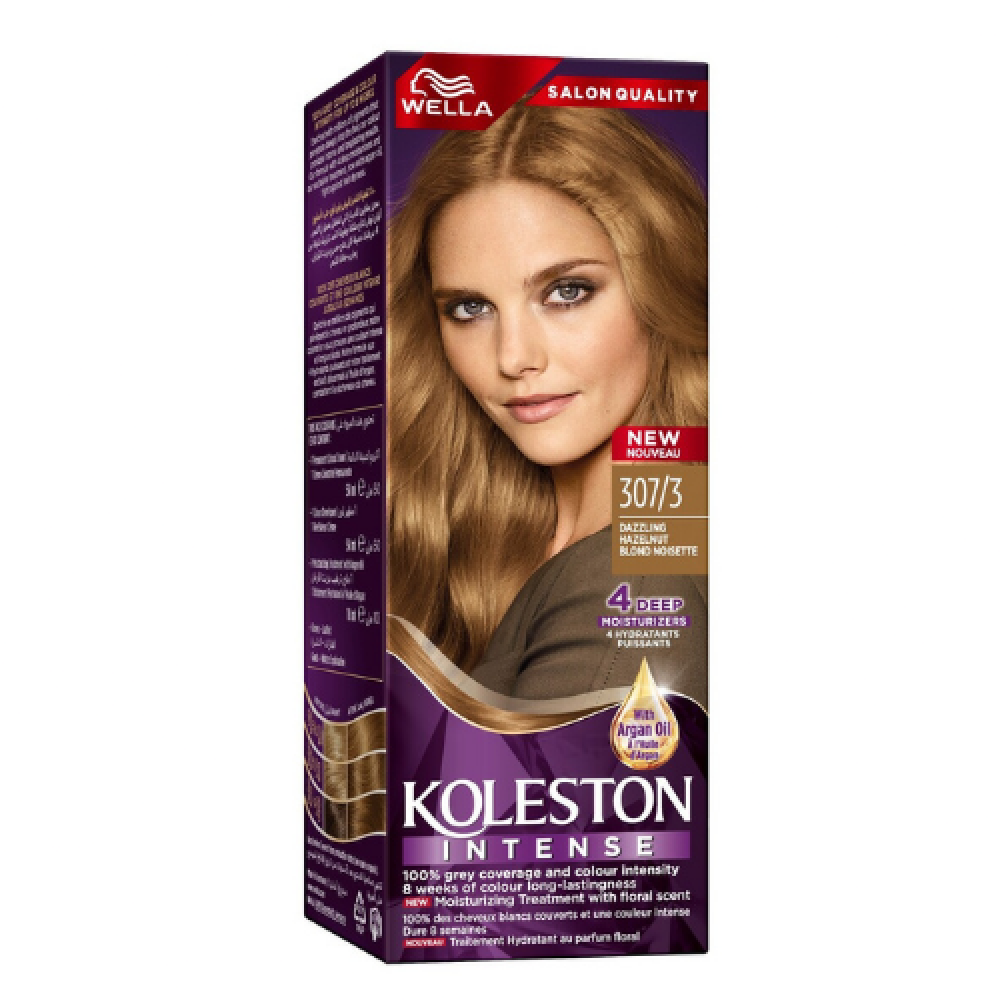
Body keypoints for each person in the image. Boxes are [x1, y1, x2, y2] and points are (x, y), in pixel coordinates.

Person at [387, 103, 707, 708]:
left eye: (567, 291)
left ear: (661, 287)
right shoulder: (514, 541)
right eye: (470, 308)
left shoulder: (636, 583)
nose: (513, 357)